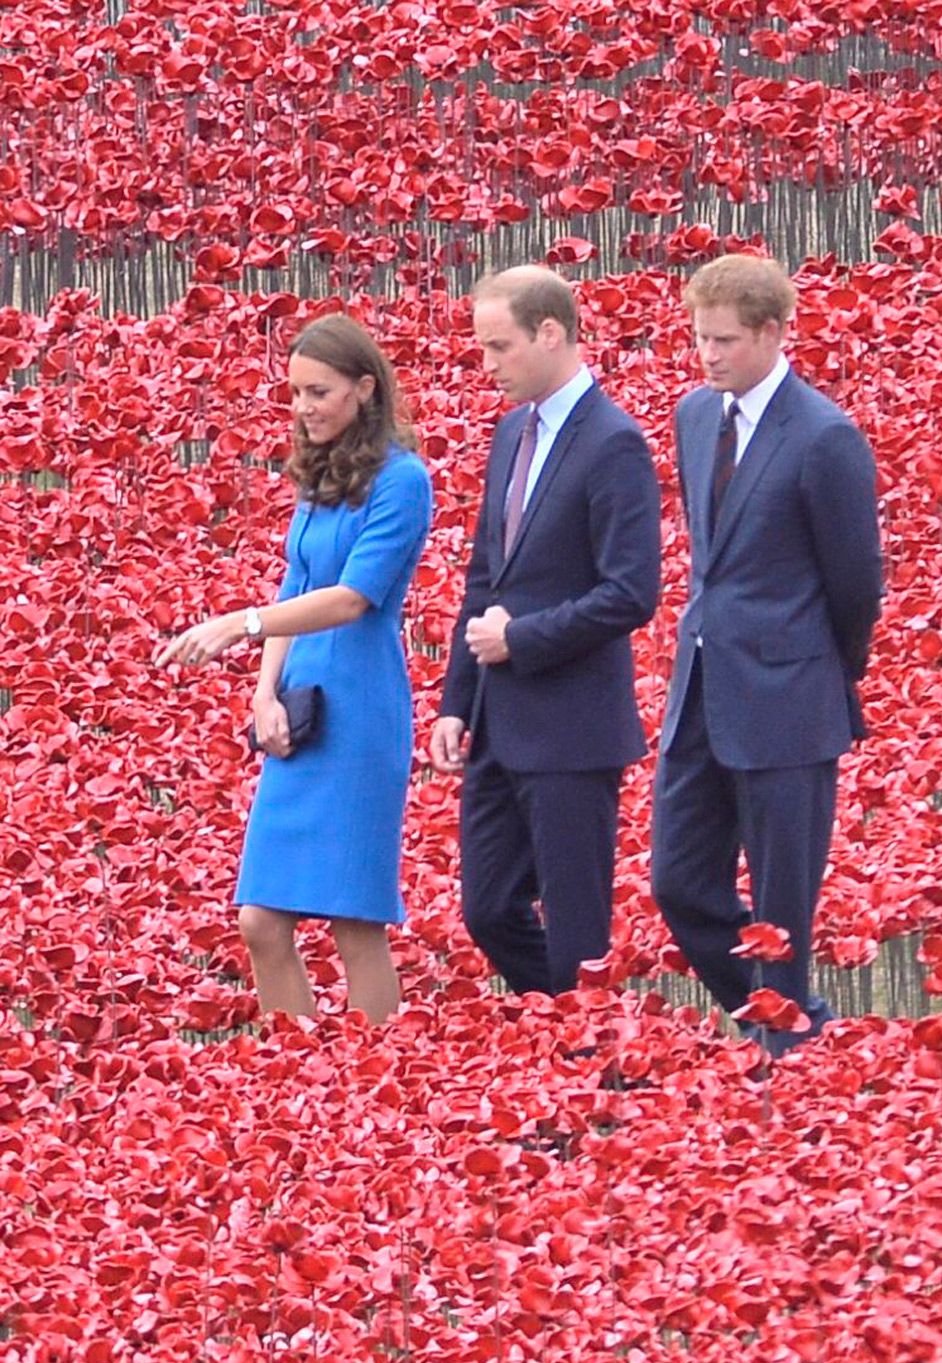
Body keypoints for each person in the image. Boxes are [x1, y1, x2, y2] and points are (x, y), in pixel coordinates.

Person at [155, 315, 432, 1025]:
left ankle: (374, 1079)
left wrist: (237, 625)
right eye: (295, 394)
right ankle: (301, 1069)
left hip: (361, 705)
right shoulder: (323, 473)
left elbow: (348, 599)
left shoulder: (402, 483)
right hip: (302, 697)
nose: (303, 408)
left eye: (319, 392)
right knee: (260, 920)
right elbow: (295, 581)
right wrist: (261, 692)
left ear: (365, 389)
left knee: (352, 919)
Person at [651, 254, 883, 1057]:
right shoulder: (691, 417)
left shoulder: (825, 437)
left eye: (724, 341)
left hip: (790, 695)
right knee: (677, 882)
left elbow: (857, 584)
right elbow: (709, 558)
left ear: (773, 333)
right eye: (699, 338)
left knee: (784, 900)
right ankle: (787, 1019)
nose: (707, 355)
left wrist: (823, 672)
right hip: (702, 686)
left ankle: (786, 1054)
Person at [429, 265, 661, 996]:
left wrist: (522, 639)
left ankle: (594, 1062)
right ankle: (571, 1027)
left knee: (577, 926)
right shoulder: (510, 434)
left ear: (551, 333)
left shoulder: (614, 442)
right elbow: (485, 579)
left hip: (572, 726)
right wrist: (456, 703)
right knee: (488, 907)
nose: (488, 364)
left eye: (500, 347)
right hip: (500, 720)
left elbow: (631, 592)